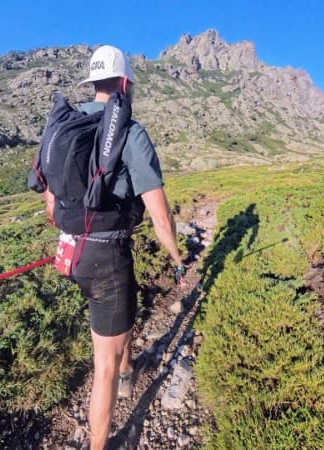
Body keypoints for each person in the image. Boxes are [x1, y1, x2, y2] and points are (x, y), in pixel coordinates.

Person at [42, 45, 184, 449]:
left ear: (93, 84)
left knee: (119, 313)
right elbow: (160, 216)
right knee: (101, 365)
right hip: (107, 261)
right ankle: (99, 442)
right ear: (124, 83)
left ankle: (127, 372)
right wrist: (176, 259)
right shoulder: (131, 133)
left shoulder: (65, 130)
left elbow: (51, 200)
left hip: (71, 254)